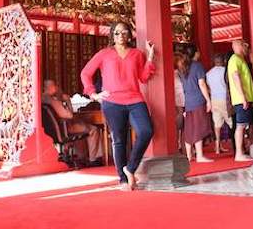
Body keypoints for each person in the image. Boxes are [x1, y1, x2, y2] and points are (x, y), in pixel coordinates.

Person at [81, 21, 156, 190]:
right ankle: (122, 179)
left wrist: (150, 57)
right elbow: (85, 73)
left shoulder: (137, 54)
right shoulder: (104, 54)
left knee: (146, 131)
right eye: (116, 33)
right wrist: (93, 94)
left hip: (135, 99)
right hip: (112, 102)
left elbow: (143, 77)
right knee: (119, 140)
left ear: (129, 35)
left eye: (124, 32)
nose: (120, 36)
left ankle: (130, 169)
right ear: (112, 36)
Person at [42, 79, 104, 166]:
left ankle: (82, 157)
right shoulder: (53, 101)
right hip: (65, 129)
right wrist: (68, 101)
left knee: (82, 126)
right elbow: (69, 115)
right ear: (51, 87)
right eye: (55, 85)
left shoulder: (42, 99)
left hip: (52, 130)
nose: (57, 87)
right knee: (93, 129)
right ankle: (94, 159)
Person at [179, 45, 214, 162]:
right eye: (198, 51)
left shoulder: (182, 67)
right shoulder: (197, 66)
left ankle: (189, 155)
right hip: (198, 100)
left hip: (188, 101)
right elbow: (202, 84)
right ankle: (199, 155)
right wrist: (208, 100)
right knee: (199, 127)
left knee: (189, 128)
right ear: (195, 53)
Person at [227, 39, 253, 162]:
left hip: (245, 98)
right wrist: (243, 97)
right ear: (238, 46)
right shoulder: (235, 59)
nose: (246, 48)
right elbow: (235, 77)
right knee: (240, 126)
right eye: (244, 45)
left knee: (244, 125)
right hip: (241, 99)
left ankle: (242, 151)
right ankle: (239, 153)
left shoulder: (241, 59)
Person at [206, 53, 232, 154]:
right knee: (231, 122)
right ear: (223, 61)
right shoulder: (225, 71)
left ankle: (217, 146)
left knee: (217, 124)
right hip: (225, 100)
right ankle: (238, 145)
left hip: (214, 100)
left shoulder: (209, 73)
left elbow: (207, 87)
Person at [174, 67, 185, 152]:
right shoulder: (175, 74)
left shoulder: (180, 73)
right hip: (178, 100)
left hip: (182, 99)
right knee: (179, 121)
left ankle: (181, 143)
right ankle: (178, 142)